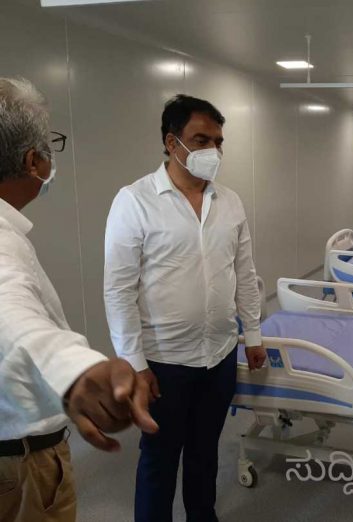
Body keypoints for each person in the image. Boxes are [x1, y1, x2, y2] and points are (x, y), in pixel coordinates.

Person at [0, 77, 158, 522]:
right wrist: (74, 370)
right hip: (19, 462)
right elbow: (9, 310)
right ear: (33, 162)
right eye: (50, 146)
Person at [104, 94, 266, 522]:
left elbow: (244, 273)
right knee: (159, 458)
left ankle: (201, 515)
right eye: (201, 139)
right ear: (171, 142)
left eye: (218, 141)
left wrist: (252, 334)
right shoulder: (135, 201)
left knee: (204, 451)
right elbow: (118, 290)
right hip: (163, 363)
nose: (213, 150)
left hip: (220, 355)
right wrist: (135, 363)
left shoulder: (229, 202)